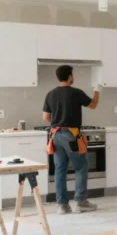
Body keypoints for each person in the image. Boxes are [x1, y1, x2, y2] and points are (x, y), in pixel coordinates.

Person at [42, 65, 101, 214]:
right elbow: (93, 105)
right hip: (71, 135)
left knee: (60, 170)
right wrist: (97, 91)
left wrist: (58, 123)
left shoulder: (50, 94)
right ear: (69, 77)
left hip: (55, 135)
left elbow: (45, 117)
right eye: (72, 75)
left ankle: (62, 205)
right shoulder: (76, 92)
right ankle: (81, 201)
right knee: (81, 167)